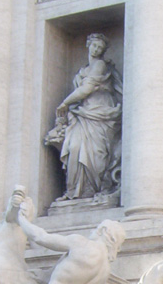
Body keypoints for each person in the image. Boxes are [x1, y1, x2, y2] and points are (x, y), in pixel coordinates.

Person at [47, 32, 123, 200]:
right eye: (94, 45)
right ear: (88, 45)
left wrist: (65, 103)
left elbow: (87, 89)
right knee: (74, 148)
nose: (96, 49)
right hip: (83, 114)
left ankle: (93, 189)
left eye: (100, 47)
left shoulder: (100, 65)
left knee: (97, 153)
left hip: (101, 112)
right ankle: (74, 191)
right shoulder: (82, 70)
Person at [12, 188, 126, 284]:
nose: (92, 232)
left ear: (102, 231)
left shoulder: (83, 244)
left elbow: (40, 237)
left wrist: (21, 219)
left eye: (95, 229)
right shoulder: (105, 272)